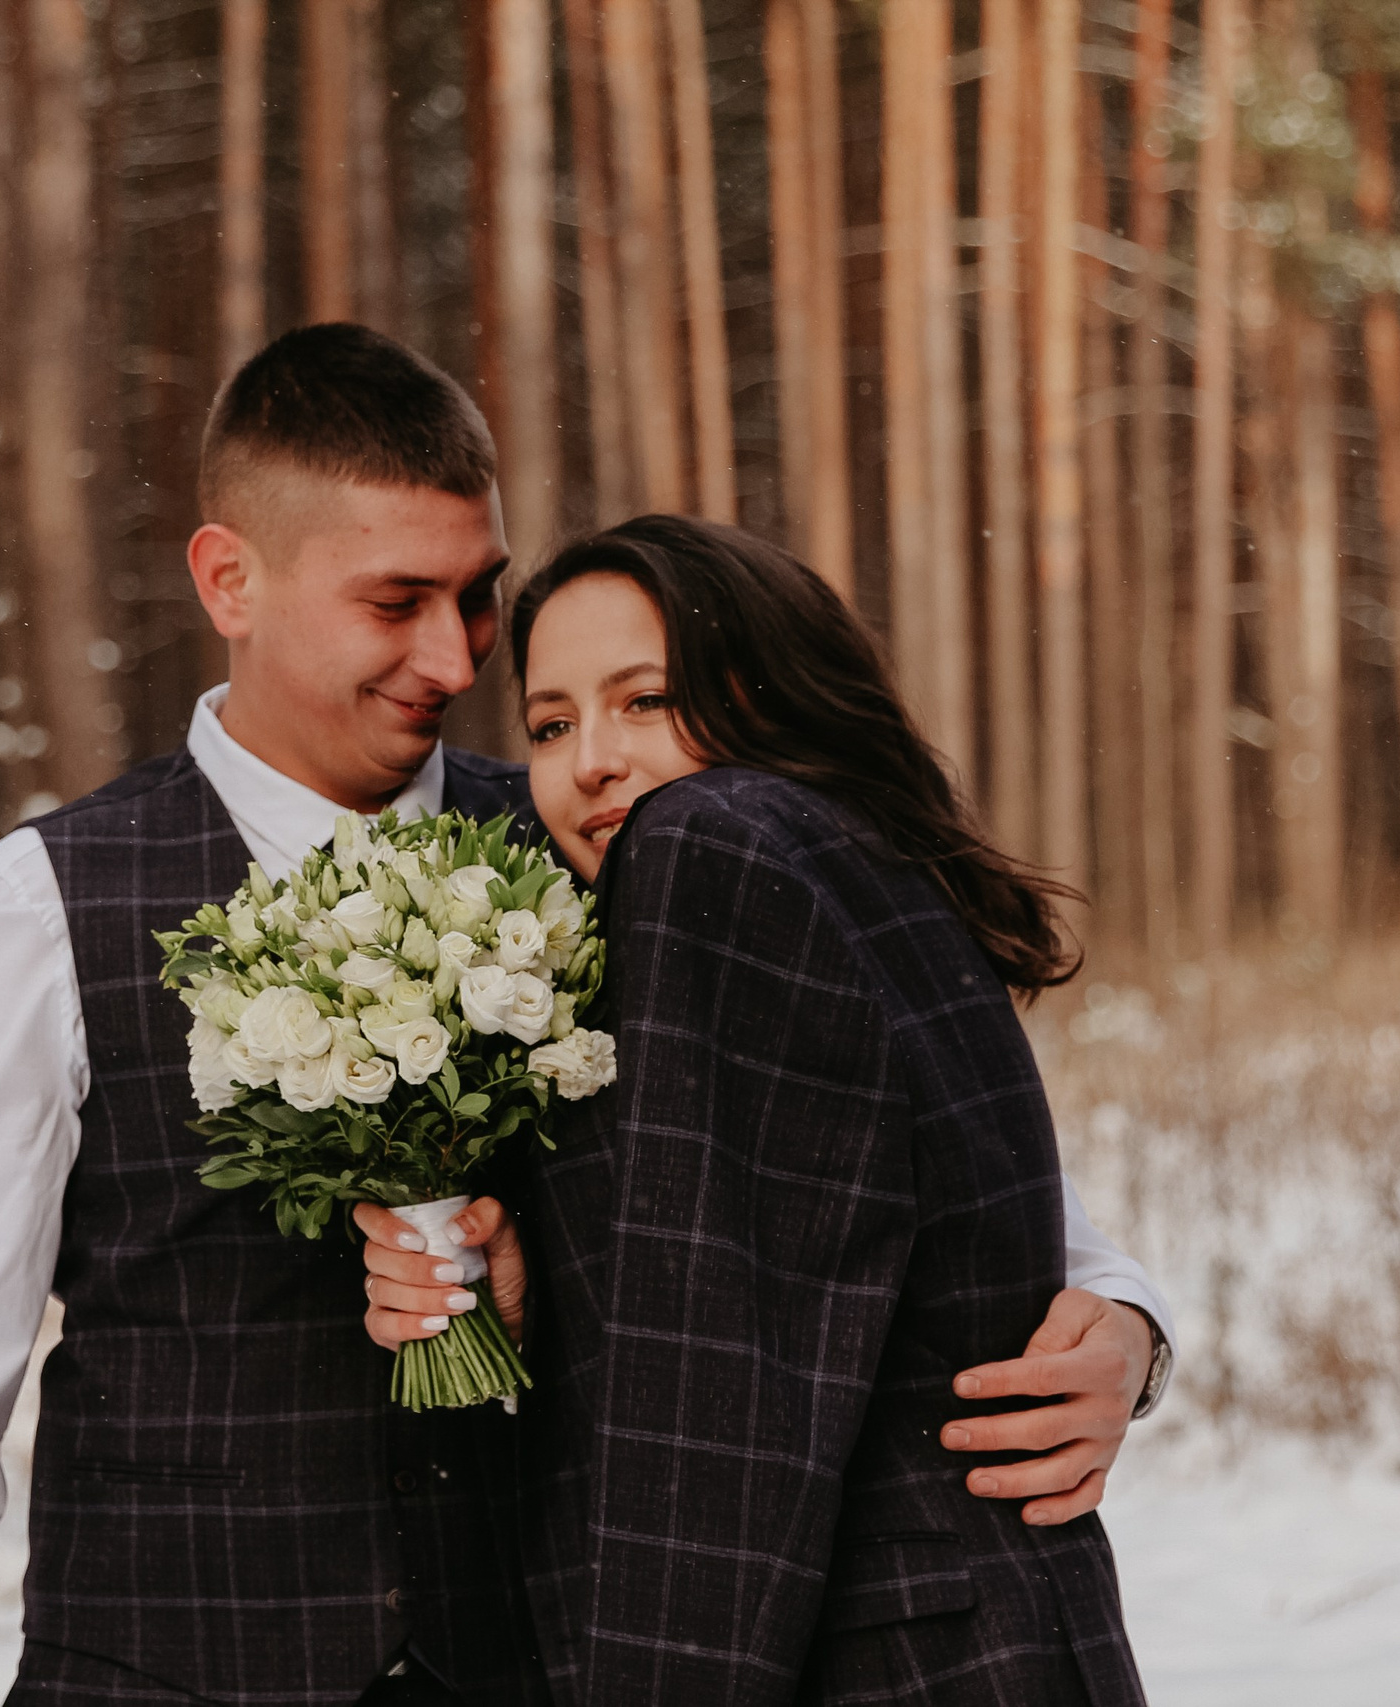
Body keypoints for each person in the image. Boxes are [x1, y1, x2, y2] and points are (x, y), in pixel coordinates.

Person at [0, 330, 1163, 1706]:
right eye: (396, 600)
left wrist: (1119, 1316)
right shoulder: (38, 910)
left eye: (478, 597)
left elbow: (879, 1141)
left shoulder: (609, 838)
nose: (454, 654)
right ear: (230, 577)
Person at [362, 515, 1159, 1704]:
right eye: (549, 723)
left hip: (871, 1648)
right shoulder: (842, 864)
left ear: (767, 693)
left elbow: (726, 1393)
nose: (589, 761)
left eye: (644, 701)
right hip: (984, 1631)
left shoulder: (710, 846)